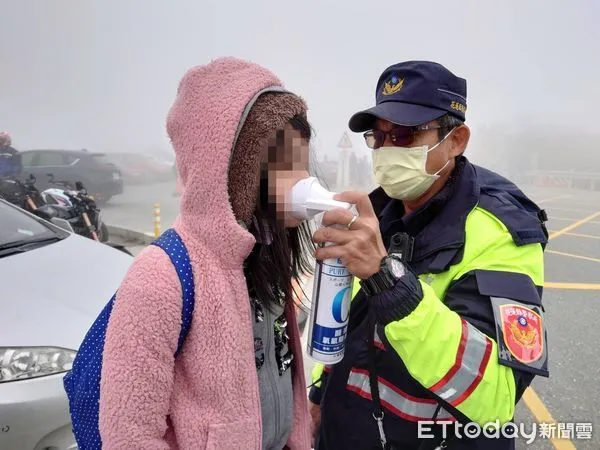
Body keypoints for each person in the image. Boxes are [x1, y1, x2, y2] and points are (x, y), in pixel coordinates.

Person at [309, 61, 549, 449]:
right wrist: (320, 395)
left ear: (456, 140)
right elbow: (354, 321)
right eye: (378, 136)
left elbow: (497, 397)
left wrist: (388, 282)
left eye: (404, 134)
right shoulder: (381, 211)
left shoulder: (504, 232)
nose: (387, 149)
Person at [98, 57, 315, 449]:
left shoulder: (265, 254)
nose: (303, 181)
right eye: (286, 166)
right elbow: (128, 433)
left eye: (303, 163)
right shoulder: (162, 275)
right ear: (233, 171)